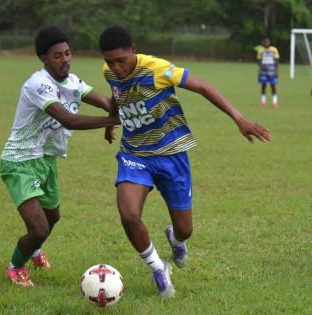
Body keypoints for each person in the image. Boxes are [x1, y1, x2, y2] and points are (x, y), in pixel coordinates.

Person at [98, 26, 272, 298]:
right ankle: (158, 268)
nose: (116, 67)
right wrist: (111, 122)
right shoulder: (109, 72)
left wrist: (239, 118)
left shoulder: (157, 69)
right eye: (110, 61)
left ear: (133, 49)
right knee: (129, 214)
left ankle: (176, 240)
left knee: (185, 229)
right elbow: (116, 94)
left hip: (171, 153)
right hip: (135, 154)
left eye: (121, 60)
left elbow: (202, 86)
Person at [0, 26, 118, 287]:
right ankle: (16, 266)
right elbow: (69, 120)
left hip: (46, 160)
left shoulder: (74, 82)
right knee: (39, 228)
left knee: (52, 217)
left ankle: (34, 249)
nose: (65, 59)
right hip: (20, 160)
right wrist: (110, 120)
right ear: (43, 58)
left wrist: (122, 98)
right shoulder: (38, 84)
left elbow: (108, 104)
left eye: (67, 53)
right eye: (57, 55)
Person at [257, 38, 280, 108]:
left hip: (272, 71)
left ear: (269, 42)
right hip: (263, 72)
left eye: (267, 42)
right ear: (263, 43)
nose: (266, 43)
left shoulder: (274, 49)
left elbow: (277, 61)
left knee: (273, 86)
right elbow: (259, 61)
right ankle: (263, 102)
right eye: (265, 42)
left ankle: (275, 102)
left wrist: (276, 71)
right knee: (263, 86)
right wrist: (260, 70)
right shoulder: (260, 50)